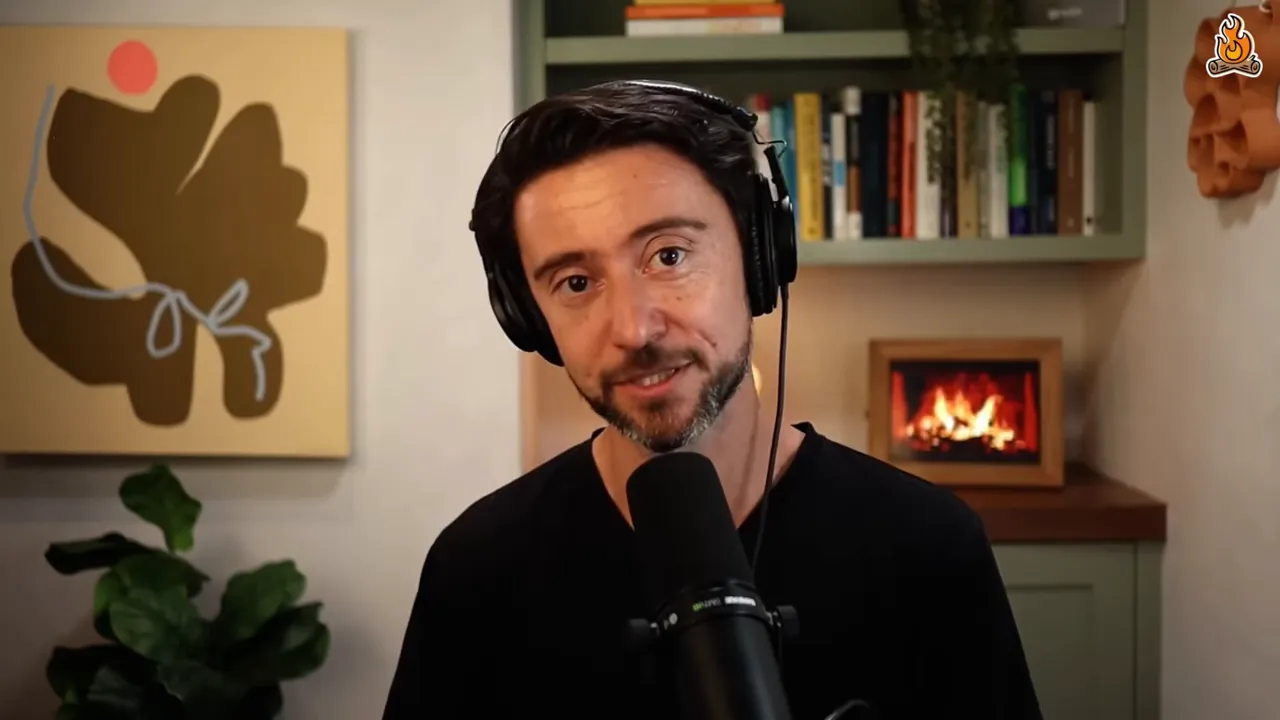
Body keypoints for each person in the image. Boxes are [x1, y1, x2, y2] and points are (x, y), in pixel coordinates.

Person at [382, 79, 1042, 720]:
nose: (634, 330)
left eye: (669, 255)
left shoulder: (927, 547)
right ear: (529, 318)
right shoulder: (476, 569)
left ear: (761, 258)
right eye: (576, 281)